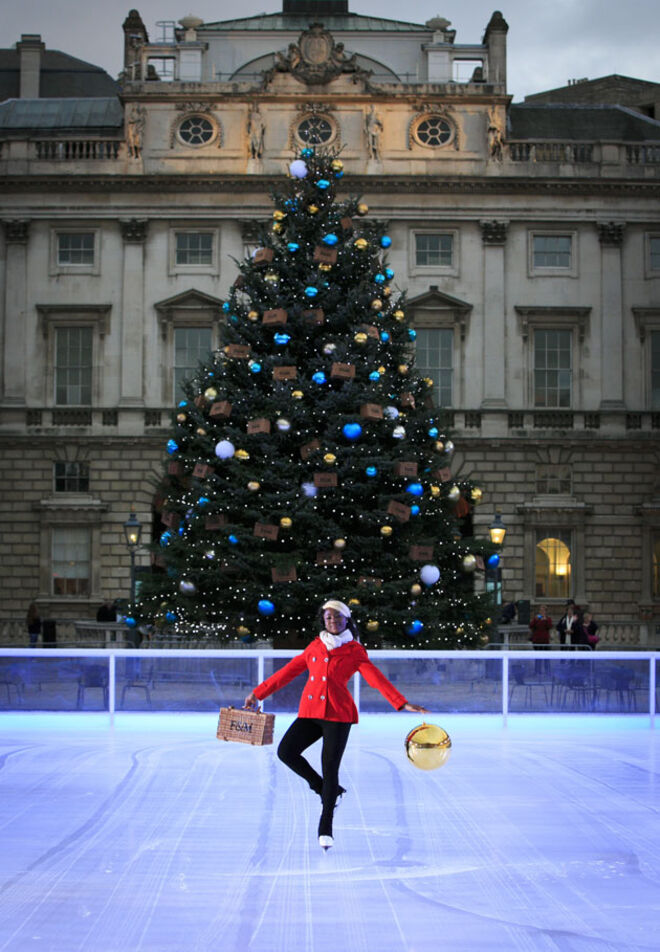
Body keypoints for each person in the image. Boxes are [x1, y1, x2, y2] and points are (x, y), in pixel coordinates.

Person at [244, 599, 427, 850]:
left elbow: (376, 678)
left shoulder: (354, 651)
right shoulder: (315, 646)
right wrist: (258, 693)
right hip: (310, 712)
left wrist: (401, 703)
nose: (333, 622)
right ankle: (325, 790)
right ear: (324, 620)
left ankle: (325, 825)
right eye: (328, 618)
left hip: (338, 716)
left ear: (346, 620)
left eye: (338, 618)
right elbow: (287, 672)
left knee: (330, 767)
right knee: (286, 752)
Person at [529, 604, 553, 674]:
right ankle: (537, 671)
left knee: (546, 657)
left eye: (543, 610)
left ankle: (547, 670)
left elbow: (549, 626)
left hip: (545, 640)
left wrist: (545, 620)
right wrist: (535, 620)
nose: (542, 612)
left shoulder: (548, 619)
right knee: (538, 657)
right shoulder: (536, 618)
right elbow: (531, 625)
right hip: (537, 640)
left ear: (545, 611)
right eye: (540, 610)